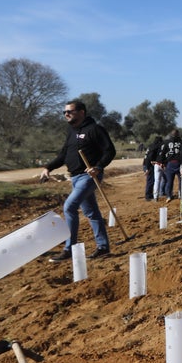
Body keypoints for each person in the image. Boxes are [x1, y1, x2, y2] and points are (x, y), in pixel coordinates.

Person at [40, 99, 116, 262]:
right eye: (64, 112)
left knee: (69, 207)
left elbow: (110, 150)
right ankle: (103, 247)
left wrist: (98, 167)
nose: (66, 114)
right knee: (91, 212)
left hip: (89, 175)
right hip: (74, 177)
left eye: (70, 111)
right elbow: (63, 155)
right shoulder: (71, 131)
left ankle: (69, 249)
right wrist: (48, 167)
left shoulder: (95, 129)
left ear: (81, 112)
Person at [158, 129, 182, 201]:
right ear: (178, 134)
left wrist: (162, 163)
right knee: (181, 180)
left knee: (169, 181)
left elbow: (162, 153)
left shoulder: (167, 142)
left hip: (170, 163)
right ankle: (180, 194)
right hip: (179, 163)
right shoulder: (181, 142)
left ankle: (169, 195)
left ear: (171, 135)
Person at [143, 137, 162, 201]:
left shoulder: (151, 146)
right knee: (150, 181)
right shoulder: (155, 147)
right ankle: (148, 196)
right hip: (148, 165)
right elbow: (149, 158)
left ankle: (149, 195)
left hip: (146, 164)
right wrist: (147, 169)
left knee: (151, 180)